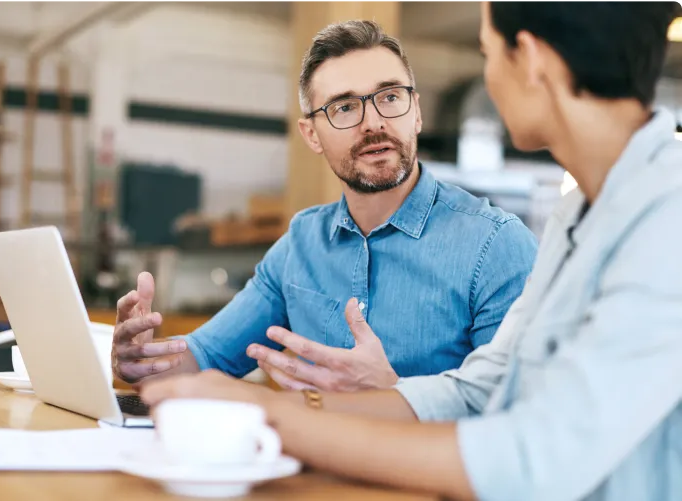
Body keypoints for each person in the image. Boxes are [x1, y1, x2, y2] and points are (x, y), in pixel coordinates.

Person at [140, 0, 682, 500]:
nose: (489, 81)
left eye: (489, 54)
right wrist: (275, 404)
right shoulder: (580, 212)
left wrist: (269, 415)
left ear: (532, 60)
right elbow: (473, 392)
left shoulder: (667, 220)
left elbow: (532, 458)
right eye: (345, 107)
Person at [111, 20, 537, 391]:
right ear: (311, 135)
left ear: (417, 113)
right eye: (345, 107)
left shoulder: (497, 246)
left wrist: (393, 392)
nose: (374, 122)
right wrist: (142, 361)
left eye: (390, 97)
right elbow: (204, 357)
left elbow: (521, 419)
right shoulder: (301, 245)